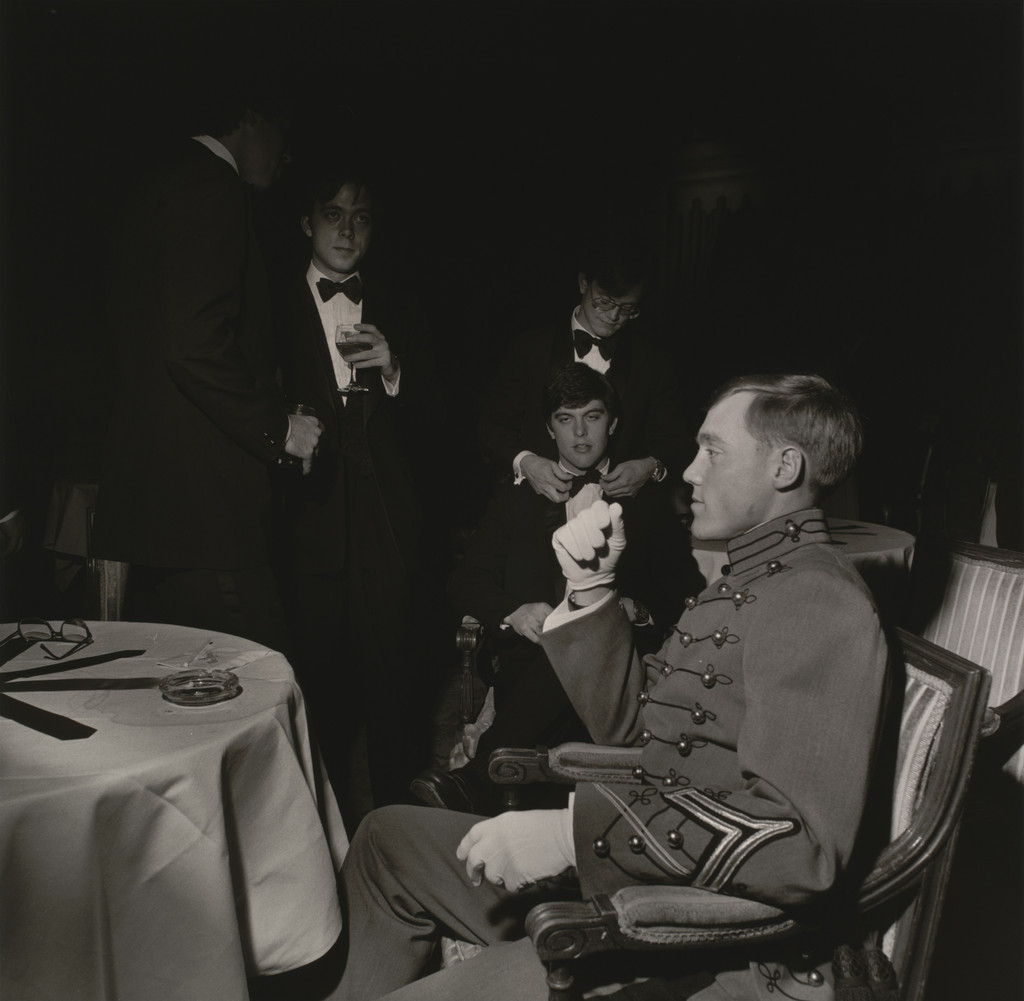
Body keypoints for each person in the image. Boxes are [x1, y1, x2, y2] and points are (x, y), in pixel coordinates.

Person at [333, 372, 892, 1001]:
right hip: (637, 870)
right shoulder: (750, 580)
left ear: (785, 467)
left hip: (694, 942)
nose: (687, 471)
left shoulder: (817, 599)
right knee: (384, 839)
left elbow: (803, 849)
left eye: (712, 450)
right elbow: (636, 731)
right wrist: (594, 588)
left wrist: (570, 837)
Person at [92, 61, 321, 651]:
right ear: (250, 119)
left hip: (155, 517)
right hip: (206, 519)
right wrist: (280, 428)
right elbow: (192, 343)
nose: (285, 157)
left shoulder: (152, 187)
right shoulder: (212, 187)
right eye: (283, 137)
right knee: (263, 689)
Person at [412, 362, 701, 816]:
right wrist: (513, 612)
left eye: (593, 416)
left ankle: (476, 780)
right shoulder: (516, 497)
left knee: (582, 644)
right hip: (528, 661)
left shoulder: (646, 503)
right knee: (561, 649)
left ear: (615, 423)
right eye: (566, 419)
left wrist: (637, 610)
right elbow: (466, 581)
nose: (581, 432)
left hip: (617, 669)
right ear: (550, 429)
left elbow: (688, 593)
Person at [275, 165, 445, 824]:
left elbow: (441, 423)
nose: (348, 230)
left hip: (388, 532)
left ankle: (397, 855)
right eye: (334, 213)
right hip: (307, 528)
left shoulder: (401, 303)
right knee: (318, 701)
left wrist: (398, 371)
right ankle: (323, 854)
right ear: (306, 222)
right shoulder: (271, 304)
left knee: (395, 699)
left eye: (362, 216)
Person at [478, 233, 689, 504]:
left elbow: (677, 443)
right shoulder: (529, 349)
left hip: (625, 514)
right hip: (535, 510)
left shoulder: (655, 362)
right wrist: (527, 463)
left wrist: (651, 468)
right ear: (583, 283)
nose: (613, 317)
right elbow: (491, 429)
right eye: (604, 301)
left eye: (628, 309)